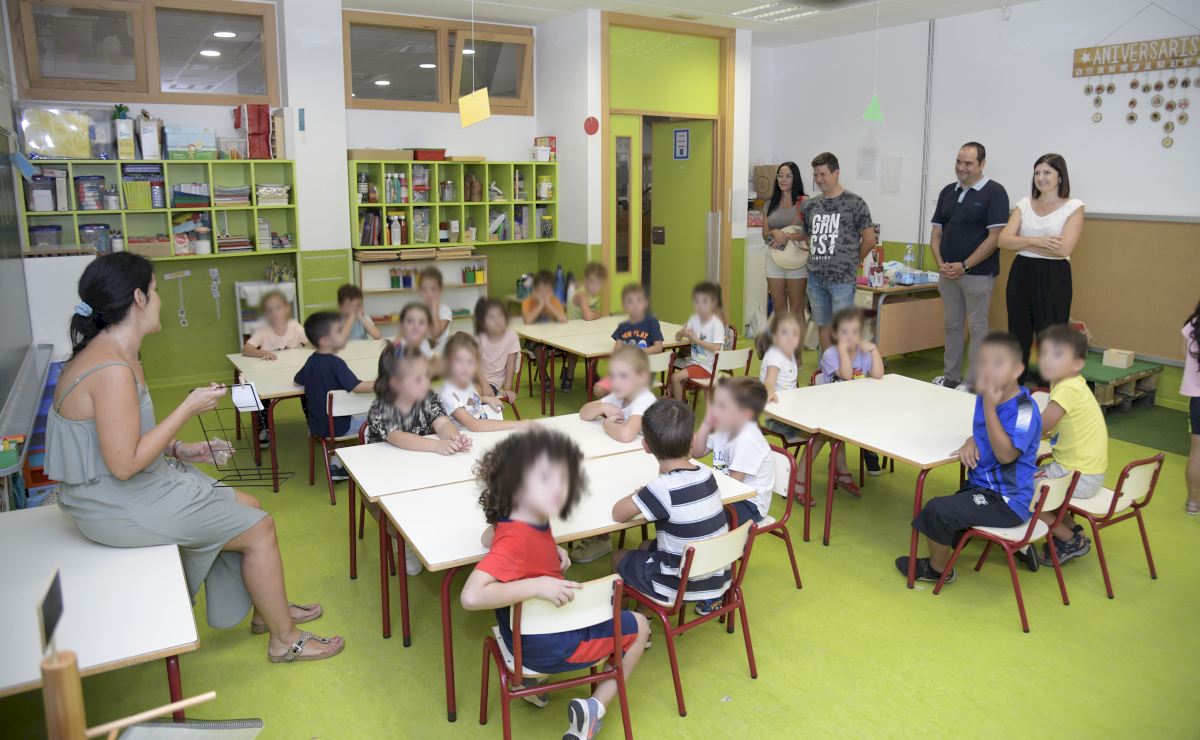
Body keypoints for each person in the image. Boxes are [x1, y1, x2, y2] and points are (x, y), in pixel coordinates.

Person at [46, 253, 343, 663]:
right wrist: (187, 408)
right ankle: (284, 639)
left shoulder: (116, 353)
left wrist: (181, 449)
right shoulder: (111, 368)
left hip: (122, 487)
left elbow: (117, 438)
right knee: (260, 528)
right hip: (113, 502)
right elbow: (124, 464)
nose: (160, 299)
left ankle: (267, 610)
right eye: (155, 290)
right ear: (138, 298)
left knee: (250, 505)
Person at [460, 429, 650, 740]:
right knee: (640, 625)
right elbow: (470, 596)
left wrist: (552, 548)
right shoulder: (516, 540)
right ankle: (595, 708)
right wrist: (538, 585)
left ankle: (531, 684)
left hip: (518, 637)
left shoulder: (521, 520)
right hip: (550, 646)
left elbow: (488, 538)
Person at [896, 333, 1042, 583]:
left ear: (1018, 369)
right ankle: (1019, 546)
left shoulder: (1024, 410)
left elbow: (1006, 455)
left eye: (998, 364)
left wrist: (989, 408)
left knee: (936, 511)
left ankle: (937, 571)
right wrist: (972, 440)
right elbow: (988, 432)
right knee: (952, 525)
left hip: (1007, 500)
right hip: (982, 487)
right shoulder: (987, 396)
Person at [611, 399, 732, 609]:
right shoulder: (707, 475)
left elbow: (618, 513)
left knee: (618, 557)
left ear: (646, 446)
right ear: (693, 440)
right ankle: (646, 615)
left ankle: (628, 621)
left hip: (679, 585)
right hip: (716, 577)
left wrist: (639, 494)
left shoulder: (661, 488)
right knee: (645, 546)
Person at [930, 142, 1010, 390]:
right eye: (958, 161)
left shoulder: (995, 192)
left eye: (968, 163)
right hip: (948, 273)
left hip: (978, 274)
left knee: (977, 328)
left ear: (982, 164)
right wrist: (941, 263)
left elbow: (994, 238)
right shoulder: (947, 191)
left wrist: (964, 266)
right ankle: (951, 377)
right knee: (952, 326)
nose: (961, 167)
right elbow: (936, 233)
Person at [1024, 325, 1106, 568]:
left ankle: (1067, 538)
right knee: (1035, 478)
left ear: (1077, 363)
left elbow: (1040, 428)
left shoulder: (1067, 387)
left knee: (1020, 488)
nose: (1049, 360)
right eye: (1045, 353)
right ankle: (1073, 529)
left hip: (1077, 475)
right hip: (1085, 472)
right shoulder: (1073, 383)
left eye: (1058, 355)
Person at [999, 153, 1085, 383]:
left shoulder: (1074, 207)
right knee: (1018, 334)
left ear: (1060, 176)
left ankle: (1049, 392)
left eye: (1047, 172)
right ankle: (1014, 389)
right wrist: (1036, 241)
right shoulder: (1024, 204)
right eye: (1037, 173)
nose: (1040, 177)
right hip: (1021, 272)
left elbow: (1064, 249)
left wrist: (1021, 243)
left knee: (1051, 338)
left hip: (1054, 276)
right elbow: (1003, 240)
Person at [574, 346, 657, 564]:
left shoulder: (643, 398)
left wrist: (606, 424)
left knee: (600, 479)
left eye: (623, 376)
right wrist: (603, 407)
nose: (616, 382)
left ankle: (601, 537)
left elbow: (626, 435)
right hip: (630, 456)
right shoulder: (619, 396)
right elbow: (584, 413)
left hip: (648, 464)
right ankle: (598, 533)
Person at [798, 152, 876, 351]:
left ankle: (844, 367)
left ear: (836, 173)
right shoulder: (810, 205)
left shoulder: (855, 203)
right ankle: (827, 365)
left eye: (823, 174)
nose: (818, 179)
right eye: (815, 175)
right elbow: (808, 236)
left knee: (843, 329)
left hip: (842, 279)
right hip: (815, 278)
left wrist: (853, 260)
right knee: (822, 326)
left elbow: (869, 239)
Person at [691, 376, 774, 555]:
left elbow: (734, 486)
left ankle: (716, 557)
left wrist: (703, 498)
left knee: (699, 518)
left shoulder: (746, 438)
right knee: (691, 511)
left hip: (749, 503)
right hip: (728, 492)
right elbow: (697, 452)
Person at [806, 307, 884, 494]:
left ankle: (848, 465)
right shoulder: (831, 355)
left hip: (854, 407)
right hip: (830, 408)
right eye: (845, 332)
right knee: (830, 433)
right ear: (835, 334)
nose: (850, 337)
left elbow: (878, 374)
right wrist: (842, 349)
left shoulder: (863, 353)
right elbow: (847, 376)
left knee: (875, 417)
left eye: (855, 332)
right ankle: (829, 470)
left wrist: (873, 350)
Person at [293, 311, 373, 481]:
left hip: (317, 426)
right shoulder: (336, 363)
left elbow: (297, 380)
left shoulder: (311, 361)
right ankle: (373, 461)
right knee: (377, 417)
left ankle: (337, 466)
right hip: (340, 427)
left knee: (335, 415)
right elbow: (357, 387)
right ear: (325, 341)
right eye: (339, 331)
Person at [241, 289, 309, 446]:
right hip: (270, 377)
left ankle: (312, 424)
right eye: (269, 310)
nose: (274, 313)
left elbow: (309, 344)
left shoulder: (295, 327)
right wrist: (264, 352)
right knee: (261, 394)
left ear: (287, 308)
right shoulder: (263, 331)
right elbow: (246, 349)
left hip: (294, 375)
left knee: (310, 389)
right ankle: (264, 429)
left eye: (278, 308)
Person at [438, 332, 531, 432]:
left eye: (470, 362)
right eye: (459, 360)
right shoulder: (448, 393)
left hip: (479, 428)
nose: (466, 367)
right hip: (469, 434)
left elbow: (469, 400)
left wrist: (486, 399)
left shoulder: (464, 384)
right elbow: (475, 425)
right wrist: (518, 424)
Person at [595, 283, 663, 396]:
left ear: (645, 303)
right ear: (624, 306)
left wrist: (638, 352)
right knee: (598, 389)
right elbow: (617, 349)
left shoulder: (651, 322)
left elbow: (658, 347)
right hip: (623, 369)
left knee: (624, 390)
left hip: (642, 370)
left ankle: (624, 402)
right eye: (630, 301)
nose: (635, 305)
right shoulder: (623, 326)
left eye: (639, 300)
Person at [761, 161, 808, 320]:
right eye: (780, 175)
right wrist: (774, 232)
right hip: (773, 259)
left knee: (796, 309)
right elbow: (764, 234)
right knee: (778, 308)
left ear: (795, 178)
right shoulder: (769, 203)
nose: (783, 179)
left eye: (788, 176)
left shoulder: (804, 203)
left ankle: (797, 338)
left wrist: (787, 236)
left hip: (797, 260)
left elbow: (809, 233)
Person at [756, 310, 808, 454]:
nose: (790, 337)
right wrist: (770, 393)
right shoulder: (775, 355)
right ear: (774, 337)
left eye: (795, 333)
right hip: (776, 420)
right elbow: (769, 382)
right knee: (820, 433)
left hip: (787, 413)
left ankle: (802, 467)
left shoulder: (788, 354)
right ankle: (802, 468)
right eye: (785, 332)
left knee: (822, 429)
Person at [669, 282, 726, 400]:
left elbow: (716, 347)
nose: (700, 305)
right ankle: (682, 402)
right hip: (695, 363)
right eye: (696, 301)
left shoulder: (716, 324)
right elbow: (677, 338)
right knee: (671, 384)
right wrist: (682, 333)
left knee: (675, 378)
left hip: (708, 367)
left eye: (704, 302)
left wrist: (696, 340)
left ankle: (679, 408)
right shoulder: (694, 320)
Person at [563, 262, 609, 391]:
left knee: (598, 343)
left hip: (587, 331)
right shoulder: (582, 294)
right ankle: (569, 377)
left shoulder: (593, 295)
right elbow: (588, 316)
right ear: (586, 280)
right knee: (574, 350)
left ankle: (592, 375)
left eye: (599, 284)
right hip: (571, 333)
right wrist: (602, 313)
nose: (595, 286)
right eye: (592, 282)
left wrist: (597, 315)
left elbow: (591, 317)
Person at [522, 270, 568, 392]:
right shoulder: (528, 302)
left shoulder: (553, 301)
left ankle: (568, 376)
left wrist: (549, 303)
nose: (544, 294)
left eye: (547, 291)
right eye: (541, 291)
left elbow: (563, 319)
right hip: (534, 341)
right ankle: (544, 375)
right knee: (541, 350)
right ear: (534, 290)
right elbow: (528, 320)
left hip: (553, 339)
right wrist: (541, 304)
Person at [474, 297, 521, 402]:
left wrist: (507, 389)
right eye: (491, 317)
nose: (497, 320)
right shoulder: (479, 338)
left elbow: (510, 365)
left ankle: (478, 406)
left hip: (491, 383)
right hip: (474, 377)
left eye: (500, 315)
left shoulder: (511, 336)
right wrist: (483, 384)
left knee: (469, 395)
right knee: (454, 392)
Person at [1181, 301, 1200, 515]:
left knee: (1196, 453)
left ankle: (1193, 502)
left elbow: (1182, 352)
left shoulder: (1193, 325)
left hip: (1197, 398)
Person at [419, 267, 455, 354]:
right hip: (421, 353)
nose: (429, 293)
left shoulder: (445, 311)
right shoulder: (419, 310)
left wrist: (434, 309)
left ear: (440, 290)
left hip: (439, 354)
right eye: (425, 289)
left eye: (433, 289)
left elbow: (435, 334)